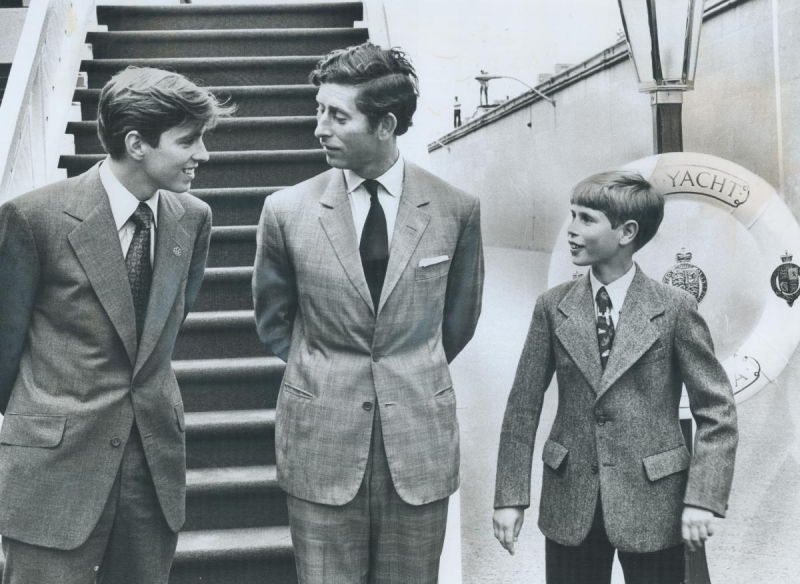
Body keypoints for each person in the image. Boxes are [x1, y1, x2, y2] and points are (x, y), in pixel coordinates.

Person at [253, 42, 484, 583]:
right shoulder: (286, 211)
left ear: (384, 125)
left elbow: (459, 320)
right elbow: (273, 318)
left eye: (337, 115)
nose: (319, 127)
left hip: (418, 444)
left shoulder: (455, 209)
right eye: (319, 110)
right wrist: (328, 368)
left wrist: (405, 366)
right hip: (322, 441)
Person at [0, 66, 232, 583]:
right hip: (53, 473)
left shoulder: (193, 218)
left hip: (152, 468)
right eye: (189, 141)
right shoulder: (33, 218)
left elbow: (159, 332)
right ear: (137, 143)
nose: (204, 155)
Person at [493, 171, 738, 584]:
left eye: (586, 219)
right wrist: (510, 498)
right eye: (571, 215)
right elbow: (522, 406)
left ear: (626, 232)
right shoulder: (553, 307)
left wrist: (703, 498)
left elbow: (717, 410)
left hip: (655, 499)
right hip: (571, 497)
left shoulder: (674, 308)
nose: (570, 229)